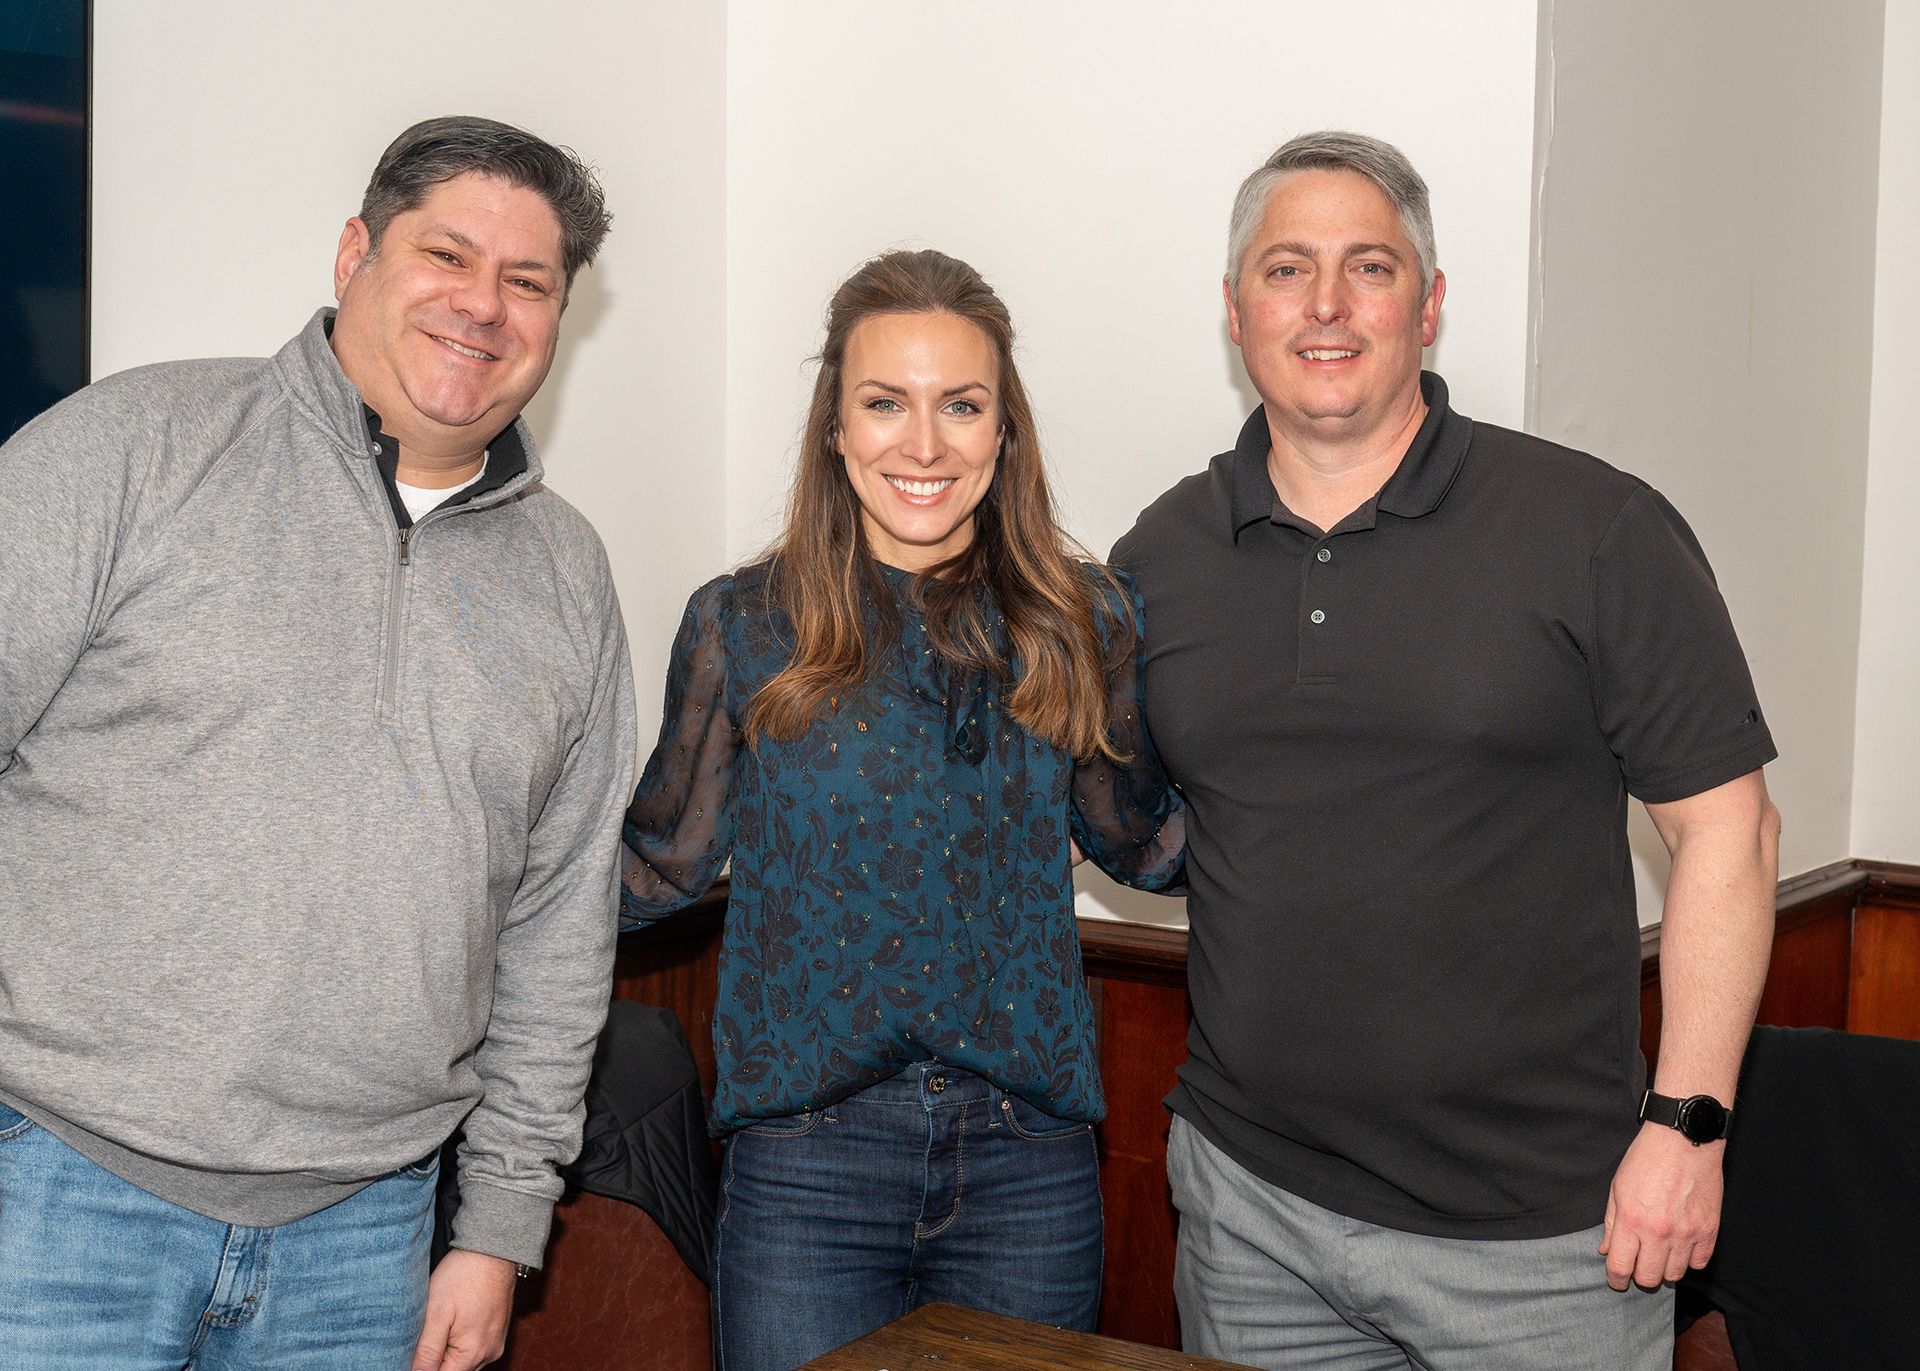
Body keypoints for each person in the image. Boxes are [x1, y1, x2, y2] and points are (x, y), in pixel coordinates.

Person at [1112, 131, 1781, 1371]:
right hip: (1253, 1221)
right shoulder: (1161, 556)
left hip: (1544, 1252)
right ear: (1233, 308)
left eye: (1368, 267)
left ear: (1428, 305)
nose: (1325, 305)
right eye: (1285, 268)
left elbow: (1728, 831)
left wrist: (1688, 1128)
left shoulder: (1596, 530)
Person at [0, 116, 636, 1371]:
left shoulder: (568, 576)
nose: (483, 306)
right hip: (55, 1203)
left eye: (528, 281)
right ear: (355, 253)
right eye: (445, 255)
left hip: (371, 1235)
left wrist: (501, 1229)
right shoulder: (132, 448)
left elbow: (560, 929)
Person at [621, 248, 1185, 1371]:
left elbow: (1143, 844)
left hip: (1030, 1164)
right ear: (836, 427)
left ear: (1003, 430)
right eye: (885, 404)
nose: (922, 445)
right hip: (803, 1170)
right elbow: (656, 870)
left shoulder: (1085, 621)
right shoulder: (744, 624)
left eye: (960, 406)